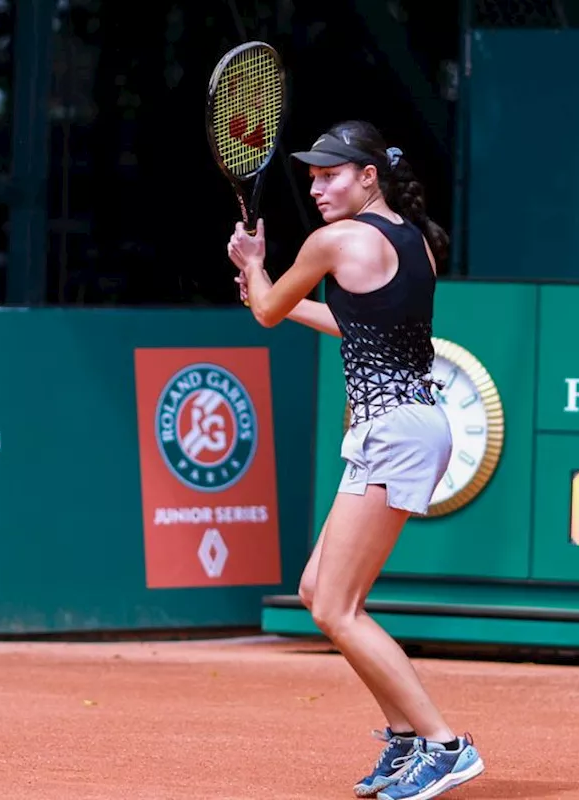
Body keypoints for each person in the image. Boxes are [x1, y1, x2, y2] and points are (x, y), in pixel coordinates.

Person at [226, 120, 484, 800]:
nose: (316, 187)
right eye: (311, 175)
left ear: (369, 176)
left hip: (394, 430)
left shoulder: (334, 241)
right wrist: (268, 289)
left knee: (337, 609)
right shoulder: (416, 242)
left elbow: (267, 310)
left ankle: (446, 745)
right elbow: (353, 322)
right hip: (409, 424)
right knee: (319, 592)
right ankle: (405, 738)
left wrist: (253, 262)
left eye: (330, 174)